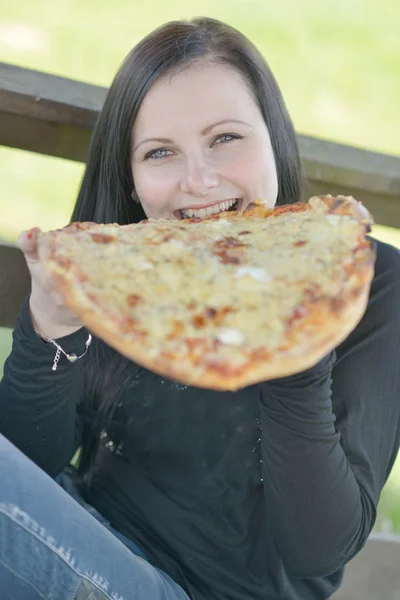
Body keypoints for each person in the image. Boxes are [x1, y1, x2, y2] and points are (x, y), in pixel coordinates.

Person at [1, 16, 400, 600]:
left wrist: (294, 339)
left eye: (225, 138)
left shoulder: (365, 277)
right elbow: (31, 461)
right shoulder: (130, 266)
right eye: (161, 152)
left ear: (274, 138)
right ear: (133, 180)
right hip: (82, 535)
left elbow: (319, 548)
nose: (198, 180)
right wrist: (52, 332)